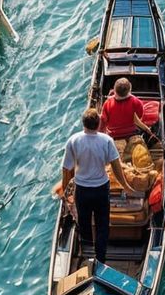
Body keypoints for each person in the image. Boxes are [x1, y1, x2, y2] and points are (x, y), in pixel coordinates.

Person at [57, 107, 143, 266]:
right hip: (101, 189)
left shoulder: (73, 140)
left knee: (84, 222)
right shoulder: (106, 140)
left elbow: (66, 170)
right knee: (102, 224)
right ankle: (100, 259)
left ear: (83, 124)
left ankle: (88, 256)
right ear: (98, 124)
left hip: (82, 190)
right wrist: (125, 186)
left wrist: (65, 195)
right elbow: (116, 167)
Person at [100, 77, 154, 144]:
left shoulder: (107, 103)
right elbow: (139, 116)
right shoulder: (136, 102)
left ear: (114, 90)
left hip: (113, 135)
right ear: (130, 90)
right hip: (131, 133)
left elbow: (103, 121)